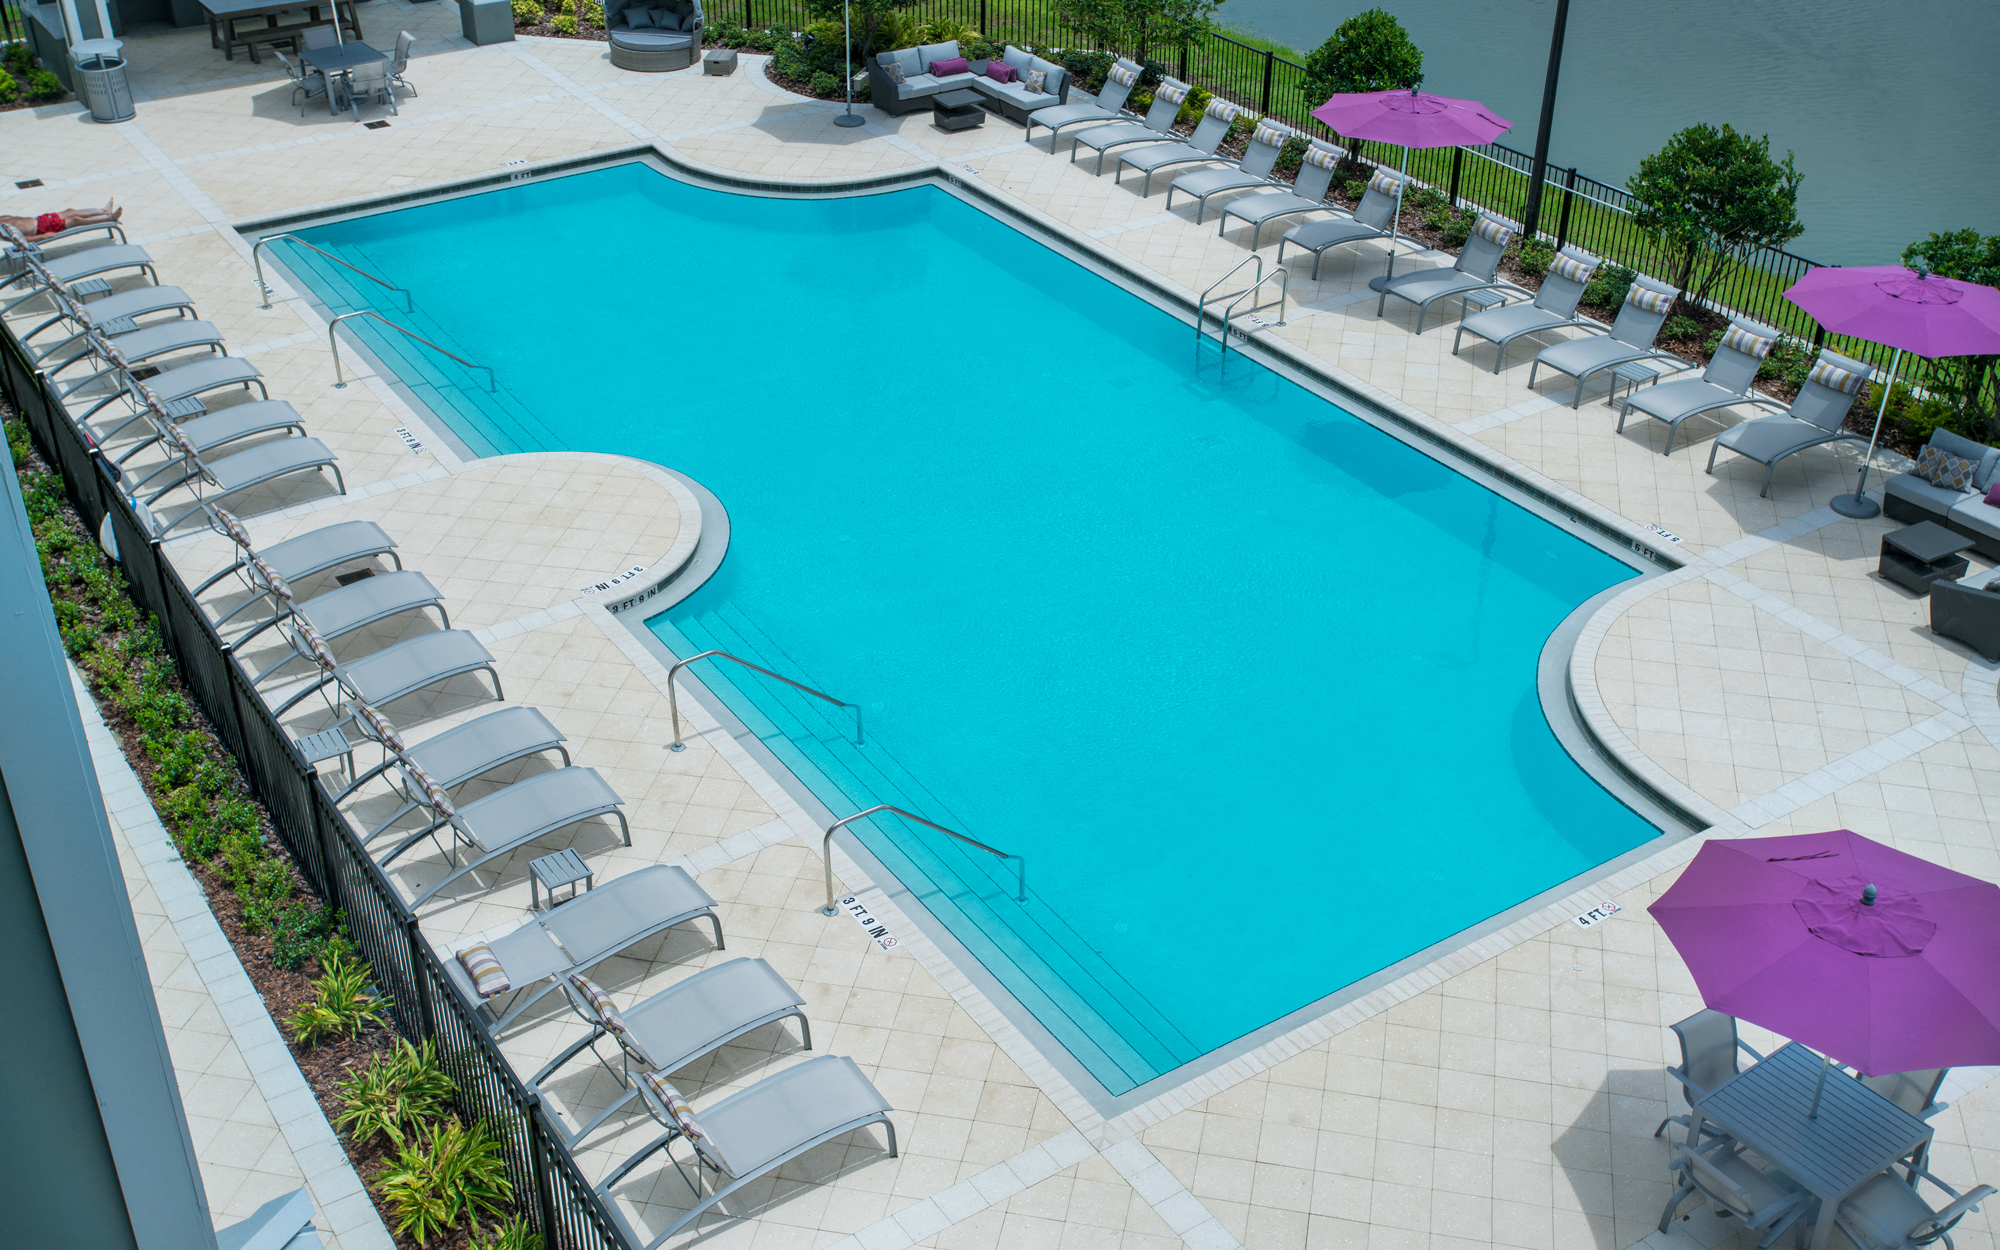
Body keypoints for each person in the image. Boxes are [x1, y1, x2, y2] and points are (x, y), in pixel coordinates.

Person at [1, 200, 123, 242]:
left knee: (70, 211)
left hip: (40, 219)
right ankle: (110, 218)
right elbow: (17, 239)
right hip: (41, 229)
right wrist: (42, 237)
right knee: (75, 220)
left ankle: (103, 211)